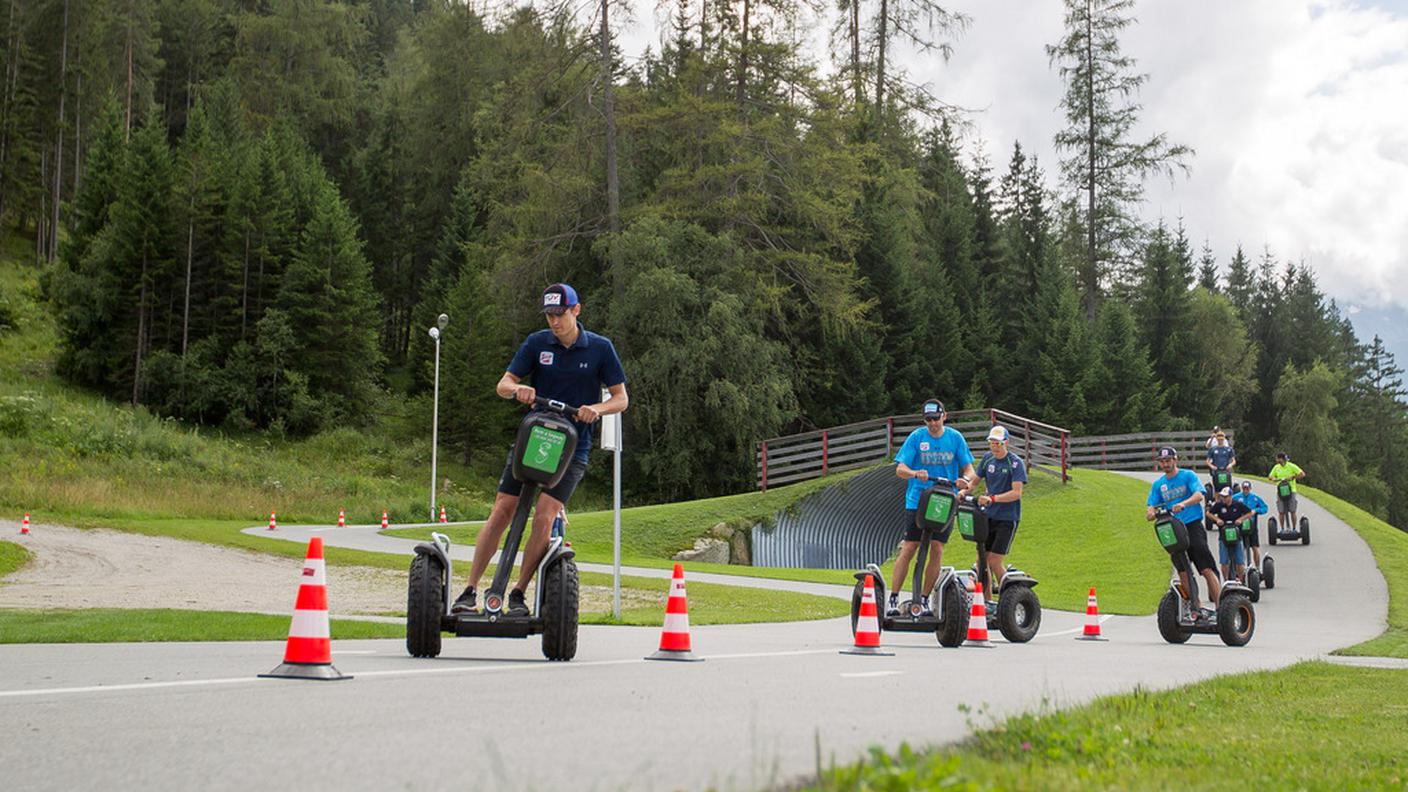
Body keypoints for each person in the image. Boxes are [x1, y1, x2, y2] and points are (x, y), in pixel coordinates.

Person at [452, 283, 628, 616]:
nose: (554, 321)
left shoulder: (601, 349)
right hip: (533, 439)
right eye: (549, 315)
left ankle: (518, 594)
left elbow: (621, 398)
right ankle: (470, 589)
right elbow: (503, 384)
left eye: (560, 314)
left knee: (544, 515)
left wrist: (597, 408)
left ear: (576, 311)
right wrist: (517, 389)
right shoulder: (537, 343)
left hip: (574, 446)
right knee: (503, 508)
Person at [889, 399, 977, 617]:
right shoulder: (917, 438)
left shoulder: (955, 438)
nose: (932, 423)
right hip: (918, 498)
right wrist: (915, 473)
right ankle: (894, 597)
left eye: (936, 419)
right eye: (928, 420)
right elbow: (900, 468)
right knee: (910, 546)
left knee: (937, 548)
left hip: (945, 499)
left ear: (944, 416)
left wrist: (964, 480)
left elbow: (969, 469)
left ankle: (925, 599)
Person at [1145, 446, 1221, 619]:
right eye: (1162, 461)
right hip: (1172, 530)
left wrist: (1184, 504)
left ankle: (1220, 608)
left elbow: (1199, 495)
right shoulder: (1159, 485)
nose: (1165, 464)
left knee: (1206, 568)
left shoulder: (1188, 476)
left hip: (1192, 525)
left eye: (1168, 460)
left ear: (1175, 460)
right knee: (1182, 571)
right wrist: (1152, 513)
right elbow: (1150, 508)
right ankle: (1195, 608)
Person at [974, 425, 1027, 611]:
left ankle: (1008, 601)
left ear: (1006, 443)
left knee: (994, 561)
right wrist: (963, 490)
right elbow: (974, 481)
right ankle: (988, 603)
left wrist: (993, 498)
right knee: (982, 560)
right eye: (991, 443)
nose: (994, 447)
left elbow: (1016, 493)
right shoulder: (987, 459)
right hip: (988, 516)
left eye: (997, 443)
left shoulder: (1015, 463)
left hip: (1007, 518)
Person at [1206, 487, 1253, 583]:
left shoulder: (1238, 505)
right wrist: (1217, 520)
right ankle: (1226, 580)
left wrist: (1241, 519)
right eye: (1223, 496)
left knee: (1240, 561)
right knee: (1224, 561)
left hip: (1237, 536)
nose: (1224, 498)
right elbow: (1208, 513)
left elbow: (1250, 512)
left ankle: (1241, 580)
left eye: (1226, 496)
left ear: (1231, 496)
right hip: (1223, 537)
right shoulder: (1219, 505)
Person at [1268, 451, 1307, 537]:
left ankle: (1293, 529)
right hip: (1280, 491)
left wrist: (1293, 477)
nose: (1277, 460)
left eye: (1278, 458)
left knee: (1292, 511)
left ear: (1281, 459)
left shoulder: (1291, 466)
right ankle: (1282, 529)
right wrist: (1274, 479)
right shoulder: (1276, 467)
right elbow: (1270, 476)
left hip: (1291, 491)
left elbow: (1302, 474)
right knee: (1281, 511)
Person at [1232, 480, 1269, 568]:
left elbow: (1265, 508)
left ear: (1250, 489)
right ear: (1242, 488)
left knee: (1255, 547)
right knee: (1242, 548)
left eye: (1247, 489)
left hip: (1252, 526)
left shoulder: (1255, 498)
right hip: (1240, 526)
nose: (1246, 491)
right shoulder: (1236, 497)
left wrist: (1256, 511)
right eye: (1244, 489)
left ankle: (1257, 567)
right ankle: (1242, 567)